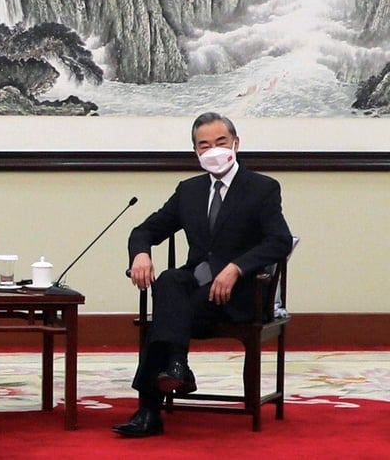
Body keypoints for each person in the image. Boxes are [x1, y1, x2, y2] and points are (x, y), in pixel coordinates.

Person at [113, 112, 293, 438]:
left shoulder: (262, 188)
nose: (213, 150)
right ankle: (177, 367)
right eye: (204, 145)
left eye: (220, 142)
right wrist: (140, 254)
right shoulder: (189, 191)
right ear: (195, 151)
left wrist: (236, 268)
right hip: (196, 290)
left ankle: (150, 409)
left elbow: (278, 241)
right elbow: (145, 230)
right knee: (169, 280)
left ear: (236, 144)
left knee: (168, 313)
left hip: (241, 294)